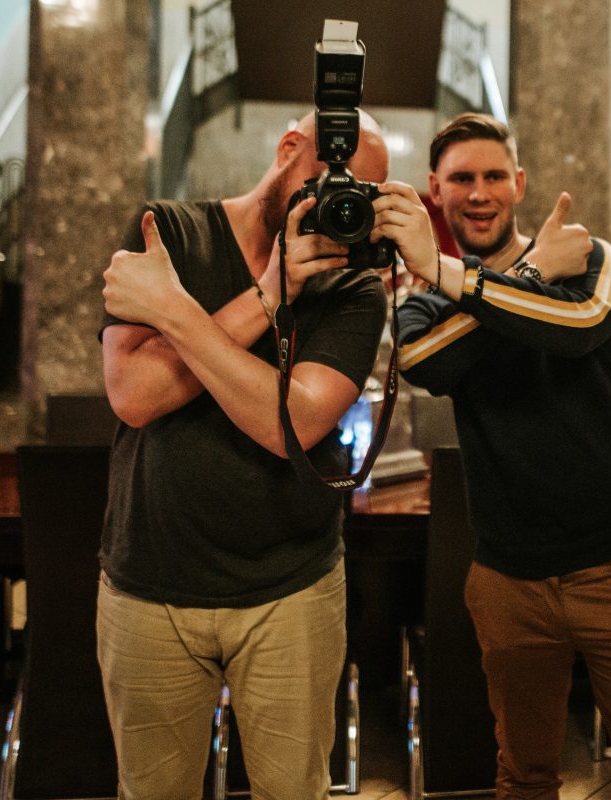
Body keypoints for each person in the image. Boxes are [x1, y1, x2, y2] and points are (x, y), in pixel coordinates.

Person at [373, 112, 611, 799]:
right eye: (461, 179)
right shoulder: (423, 301)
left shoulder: (588, 255)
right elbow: (426, 362)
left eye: (493, 176)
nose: (479, 192)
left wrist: (464, 281)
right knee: (523, 778)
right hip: (508, 581)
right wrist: (525, 275)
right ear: (435, 190)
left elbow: (578, 325)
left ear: (519, 183)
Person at [96, 111, 389, 798]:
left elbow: (290, 424)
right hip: (151, 583)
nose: (341, 202)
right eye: (332, 177)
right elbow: (133, 394)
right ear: (288, 150)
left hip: (293, 590)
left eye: (363, 193)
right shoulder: (168, 234)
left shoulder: (353, 285)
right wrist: (267, 297)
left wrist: (175, 314)